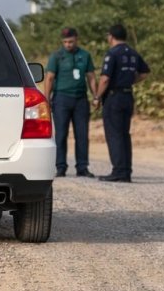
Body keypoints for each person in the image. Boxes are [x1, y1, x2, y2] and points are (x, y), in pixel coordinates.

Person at [94, 23, 150, 183]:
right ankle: (126, 171)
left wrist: (97, 97)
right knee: (125, 134)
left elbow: (105, 79)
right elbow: (145, 72)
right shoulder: (132, 53)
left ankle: (118, 171)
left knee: (114, 134)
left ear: (111, 36)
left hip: (114, 98)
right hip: (127, 96)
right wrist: (130, 81)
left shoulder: (112, 53)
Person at [44, 27, 97, 178]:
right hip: (61, 99)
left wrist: (95, 96)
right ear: (62, 42)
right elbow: (49, 78)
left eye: (71, 41)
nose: (68, 44)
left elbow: (91, 77)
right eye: (66, 42)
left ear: (76, 39)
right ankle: (60, 166)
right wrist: (46, 100)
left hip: (80, 99)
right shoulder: (57, 56)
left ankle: (82, 167)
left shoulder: (84, 55)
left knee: (82, 134)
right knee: (61, 134)